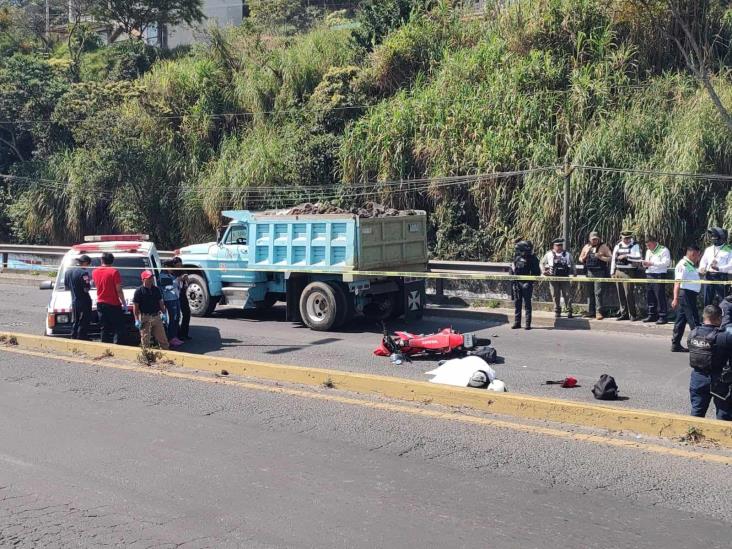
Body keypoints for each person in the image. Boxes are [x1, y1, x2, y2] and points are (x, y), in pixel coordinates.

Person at [686, 305, 732, 420]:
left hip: (698, 378)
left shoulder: (693, 333)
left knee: (696, 413)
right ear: (719, 319)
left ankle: (693, 436)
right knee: (724, 415)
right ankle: (722, 438)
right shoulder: (724, 337)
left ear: (704, 316)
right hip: (719, 379)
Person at [671, 245, 702, 353]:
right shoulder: (682, 264)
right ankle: (699, 344)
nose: (699, 258)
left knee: (680, 320)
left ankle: (675, 344)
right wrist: (675, 298)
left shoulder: (690, 265)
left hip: (689, 295)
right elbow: (677, 282)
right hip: (686, 295)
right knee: (694, 320)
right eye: (698, 255)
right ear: (693, 254)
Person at [91, 252, 126, 344]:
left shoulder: (95, 272)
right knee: (118, 327)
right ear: (112, 261)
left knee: (104, 327)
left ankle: (105, 347)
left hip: (100, 302)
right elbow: (119, 290)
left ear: (102, 260)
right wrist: (124, 303)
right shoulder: (114, 272)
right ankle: (118, 346)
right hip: (113, 303)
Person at [579, 231, 612, 320]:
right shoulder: (586, 247)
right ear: (589, 239)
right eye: (593, 239)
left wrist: (601, 257)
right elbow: (580, 259)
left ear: (599, 238)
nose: (594, 241)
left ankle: (599, 312)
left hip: (600, 272)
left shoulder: (603, 246)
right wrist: (584, 257)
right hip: (589, 272)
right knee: (590, 293)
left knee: (598, 293)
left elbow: (610, 258)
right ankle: (591, 311)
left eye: (596, 239)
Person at [132, 270, 169, 350]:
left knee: (163, 339)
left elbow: (160, 302)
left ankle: (166, 357)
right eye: (148, 278)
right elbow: (136, 306)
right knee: (146, 341)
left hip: (156, 316)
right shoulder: (139, 291)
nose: (151, 279)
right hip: (145, 317)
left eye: (151, 278)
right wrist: (136, 319)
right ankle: (146, 358)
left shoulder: (156, 289)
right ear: (143, 279)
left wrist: (164, 313)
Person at [610, 230, 642, 321]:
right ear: (621, 237)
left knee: (629, 294)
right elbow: (613, 259)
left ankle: (632, 314)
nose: (626, 240)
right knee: (620, 294)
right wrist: (612, 272)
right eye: (624, 238)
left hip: (628, 272)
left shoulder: (635, 245)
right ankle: (623, 313)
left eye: (628, 238)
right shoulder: (618, 245)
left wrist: (626, 256)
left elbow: (638, 258)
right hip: (618, 271)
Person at [509, 240, 541, 330]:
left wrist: (530, 282)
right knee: (517, 303)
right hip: (517, 283)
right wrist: (513, 279)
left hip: (527, 283)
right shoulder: (516, 257)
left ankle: (527, 324)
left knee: (527, 304)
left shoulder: (533, 258)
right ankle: (517, 322)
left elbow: (537, 273)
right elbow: (512, 269)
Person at [540, 238, 576, 318]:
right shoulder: (549, 254)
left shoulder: (567, 254)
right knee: (555, 295)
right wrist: (543, 271)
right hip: (553, 278)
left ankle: (569, 310)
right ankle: (557, 310)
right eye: (557, 245)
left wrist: (574, 272)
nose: (559, 247)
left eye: (560, 245)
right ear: (554, 246)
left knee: (567, 294)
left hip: (565, 278)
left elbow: (573, 264)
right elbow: (542, 263)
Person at [641, 236, 672, 324]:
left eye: (649, 245)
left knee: (660, 296)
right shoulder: (648, 251)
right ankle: (652, 315)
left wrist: (652, 263)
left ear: (654, 242)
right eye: (647, 245)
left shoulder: (664, 250)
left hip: (659, 274)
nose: (648, 247)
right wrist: (645, 264)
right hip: (649, 274)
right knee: (650, 296)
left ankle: (663, 316)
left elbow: (667, 263)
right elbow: (647, 262)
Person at [698, 227, 732, 306]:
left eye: (715, 238)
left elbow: (731, 265)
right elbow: (703, 261)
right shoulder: (708, 249)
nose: (713, 240)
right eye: (712, 238)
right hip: (709, 276)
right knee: (707, 300)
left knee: (722, 300)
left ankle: (723, 317)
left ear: (722, 238)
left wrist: (719, 268)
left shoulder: (729, 250)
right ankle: (707, 317)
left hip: (721, 277)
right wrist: (702, 268)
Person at [63, 255, 92, 340]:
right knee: (84, 320)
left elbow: (66, 287)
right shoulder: (84, 273)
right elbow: (86, 289)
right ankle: (82, 337)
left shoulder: (67, 272)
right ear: (85, 263)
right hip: (84, 300)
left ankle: (73, 335)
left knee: (75, 320)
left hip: (74, 300)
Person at [160, 260, 183, 347]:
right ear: (166, 267)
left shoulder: (171, 275)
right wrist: (177, 280)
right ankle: (170, 338)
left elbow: (176, 286)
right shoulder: (162, 276)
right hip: (169, 299)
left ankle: (174, 336)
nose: (173, 269)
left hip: (175, 298)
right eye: (171, 267)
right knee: (173, 318)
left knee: (177, 317)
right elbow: (167, 288)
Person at [172, 256, 191, 341]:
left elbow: (187, 285)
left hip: (182, 294)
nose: (179, 267)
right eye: (178, 265)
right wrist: (179, 279)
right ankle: (177, 334)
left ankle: (184, 333)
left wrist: (187, 279)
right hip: (174, 296)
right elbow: (172, 283)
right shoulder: (172, 272)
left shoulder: (183, 271)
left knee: (187, 313)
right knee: (176, 316)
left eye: (181, 265)